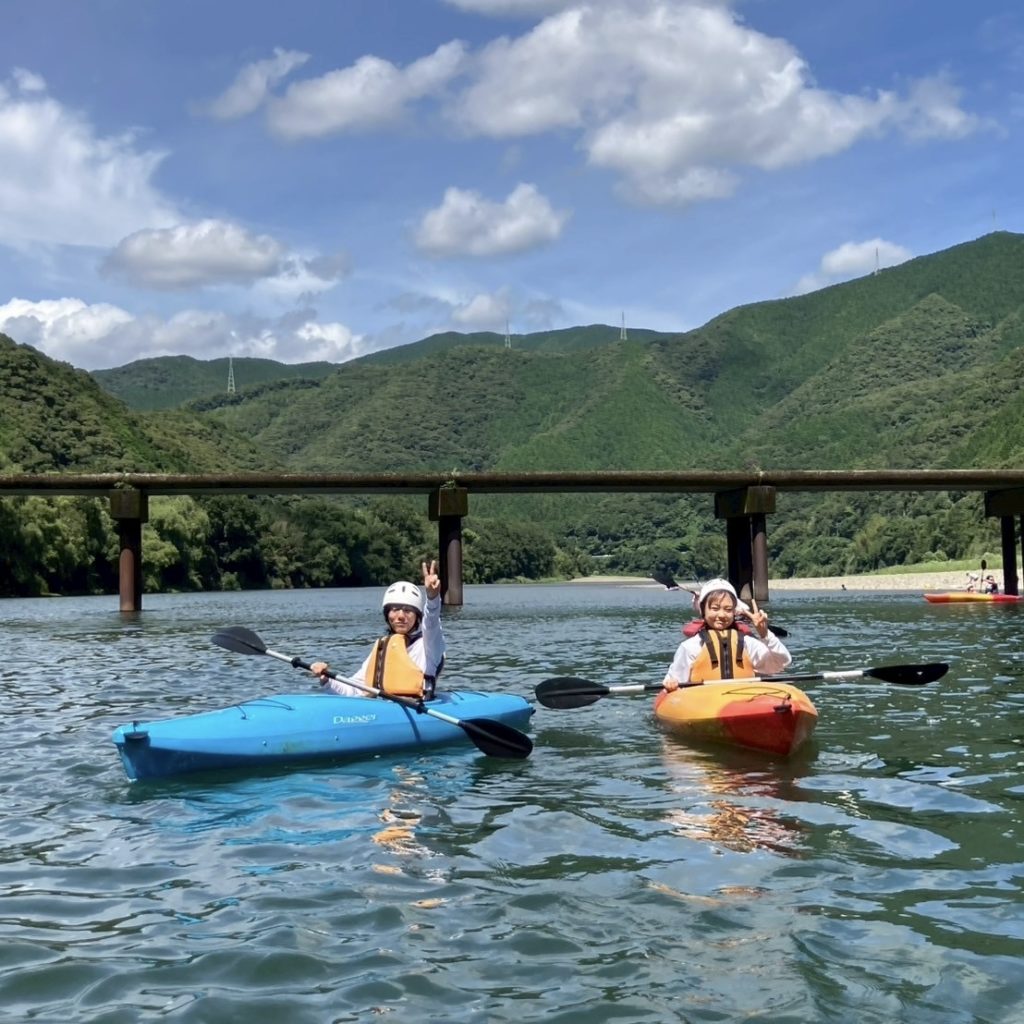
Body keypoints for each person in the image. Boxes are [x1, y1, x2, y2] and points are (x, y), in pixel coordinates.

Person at [310, 560, 446, 700]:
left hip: (418, 707)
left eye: (407, 611)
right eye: (394, 610)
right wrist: (326, 679)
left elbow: (432, 621)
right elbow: (356, 689)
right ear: (387, 615)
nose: (400, 616)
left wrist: (432, 597)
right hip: (385, 707)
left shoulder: (429, 645)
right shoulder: (384, 647)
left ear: (417, 616)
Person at [662, 578, 791, 690]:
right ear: (703, 610)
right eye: (715, 608)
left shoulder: (747, 644)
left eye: (728, 609)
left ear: (734, 612)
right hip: (704, 703)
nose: (722, 615)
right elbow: (674, 680)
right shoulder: (691, 647)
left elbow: (781, 663)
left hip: (742, 702)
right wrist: (671, 684)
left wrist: (765, 635)